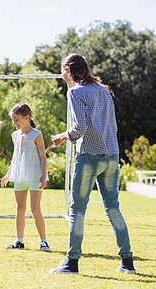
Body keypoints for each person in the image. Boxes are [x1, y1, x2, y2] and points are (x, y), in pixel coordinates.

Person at [49, 53, 135, 274]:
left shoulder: (75, 93)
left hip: (89, 157)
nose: (61, 74)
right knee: (113, 208)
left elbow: (79, 129)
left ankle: (71, 263)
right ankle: (127, 263)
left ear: (68, 70)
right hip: (112, 157)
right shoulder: (104, 91)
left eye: (62, 70)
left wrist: (62, 136)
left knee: (77, 210)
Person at [1, 103, 50, 252]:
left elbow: (43, 157)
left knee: (35, 209)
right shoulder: (15, 135)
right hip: (20, 178)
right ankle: (19, 241)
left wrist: (43, 176)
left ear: (26, 117)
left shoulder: (36, 134)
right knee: (20, 209)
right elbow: (15, 158)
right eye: (13, 120)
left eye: (17, 120)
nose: (15, 123)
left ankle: (44, 242)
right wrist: (8, 175)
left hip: (35, 178)